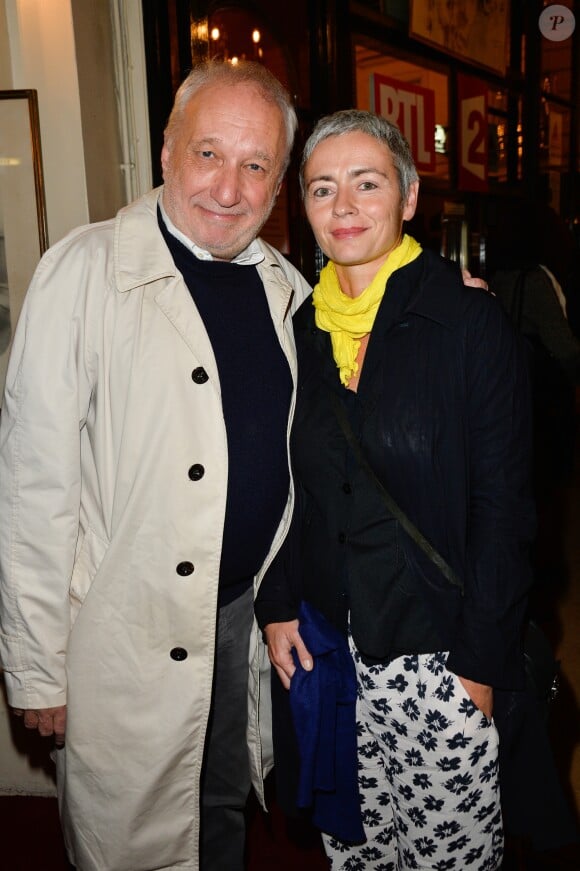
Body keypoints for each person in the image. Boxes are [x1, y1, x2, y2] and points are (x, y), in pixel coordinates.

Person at [0, 59, 311, 871]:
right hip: (120, 633)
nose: (229, 187)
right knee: (130, 840)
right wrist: (35, 666)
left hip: (238, 614)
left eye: (256, 165)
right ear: (168, 151)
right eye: (209, 153)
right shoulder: (84, 272)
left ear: (278, 183)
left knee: (219, 811)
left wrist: (442, 302)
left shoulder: (289, 289)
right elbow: (32, 487)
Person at [256, 109, 536, 870]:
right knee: (356, 856)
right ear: (303, 207)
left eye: (366, 182)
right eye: (321, 188)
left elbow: (505, 509)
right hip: (330, 655)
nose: (343, 206)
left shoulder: (467, 321)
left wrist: (477, 667)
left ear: (409, 197)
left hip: (437, 658)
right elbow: (289, 482)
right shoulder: (299, 327)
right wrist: (277, 601)